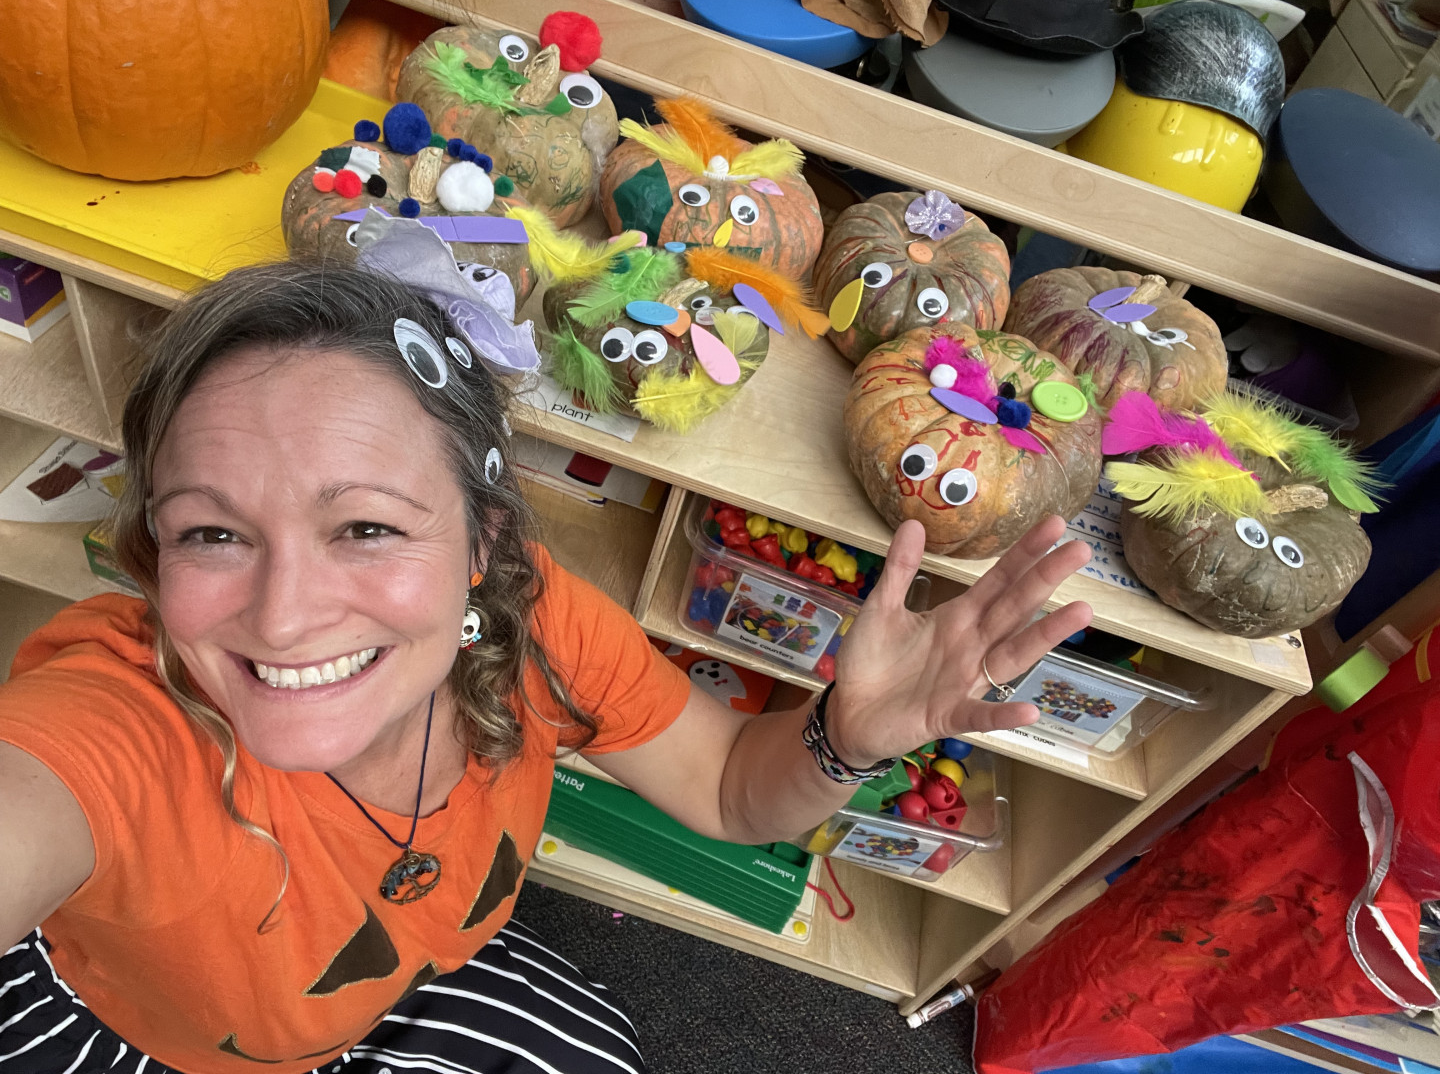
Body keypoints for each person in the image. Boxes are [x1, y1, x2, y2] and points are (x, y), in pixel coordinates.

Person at [0, 263, 1092, 1074]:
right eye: (213, 534)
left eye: (367, 528)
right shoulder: (119, 725)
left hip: (375, 988)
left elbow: (727, 785)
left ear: (483, 546)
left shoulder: (532, 624)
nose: (283, 619)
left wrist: (841, 738)